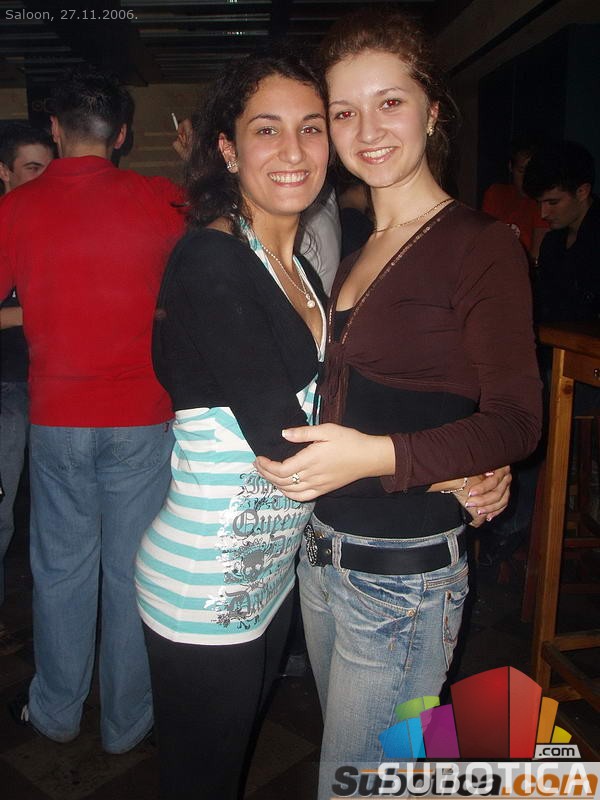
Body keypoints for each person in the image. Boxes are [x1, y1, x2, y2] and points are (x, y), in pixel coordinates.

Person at [134, 48, 507, 799]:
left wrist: (461, 451)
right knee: (202, 780)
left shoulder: (303, 269)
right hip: (203, 586)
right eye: (266, 130)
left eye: (311, 127)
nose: (294, 150)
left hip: (275, 572)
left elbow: (344, 404)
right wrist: (440, 468)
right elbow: (289, 451)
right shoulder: (212, 261)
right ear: (228, 149)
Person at [255, 10, 542, 798]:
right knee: (371, 774)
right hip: (324, 555)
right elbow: (386, 399)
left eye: (390, 102)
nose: (368, 130)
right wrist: (455, 462)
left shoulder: (480, 244)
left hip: (401, 579)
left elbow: (518, 420)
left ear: (432, 110)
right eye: (344, 112)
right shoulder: (352, 247)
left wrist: (382, 456)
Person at [0, 67, 185, 753]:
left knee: (60, 571)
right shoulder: (160, 198)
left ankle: (55, 711)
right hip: (142, 415)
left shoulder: (15, 208)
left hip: (56, 417)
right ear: (123, 134)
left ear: (54, 129)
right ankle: (127, 722)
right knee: (133, 571)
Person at [0, 123, 54, 657]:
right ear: (5, 172)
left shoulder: (53, 224)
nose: (43, 179)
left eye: (48, 167)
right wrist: (39, 310)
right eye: (32, 168)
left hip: (54, 386)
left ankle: (50, 619)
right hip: (8, 386)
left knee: (51, 516)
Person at [524, 140, 599, 325]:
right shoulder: (552, 242)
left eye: (553, 202)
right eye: (540, 203)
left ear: (582, 192)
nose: (543, 213)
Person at [482, 137, 547, 263]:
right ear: (511, 167)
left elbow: (536, 258)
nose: (526, 178)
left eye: (531, 172)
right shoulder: (495, 193)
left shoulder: (541, 203)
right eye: (521, 171)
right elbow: (485, 241)